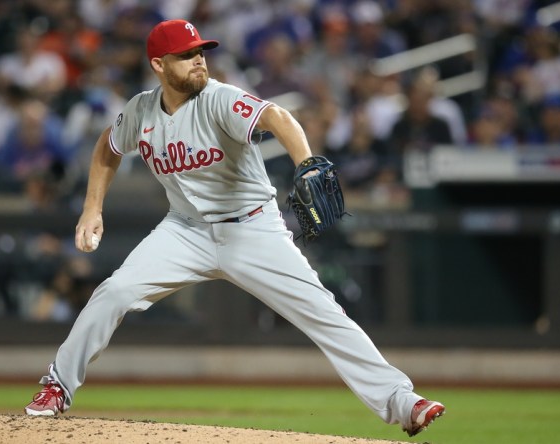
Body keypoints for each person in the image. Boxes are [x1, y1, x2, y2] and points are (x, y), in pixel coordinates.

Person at [23, 19, 444, 437]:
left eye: (200, 52)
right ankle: (57, 386)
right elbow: (106, 148)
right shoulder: (140, 110)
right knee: (113, 292)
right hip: (183, 232)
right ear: (159, 64)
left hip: (252, 229)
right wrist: (92, 208)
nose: (198, 61)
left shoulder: (219, 98)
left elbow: (277, 116)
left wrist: (306, 163)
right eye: (186, 55)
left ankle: (402, 402)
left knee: (324, 313)